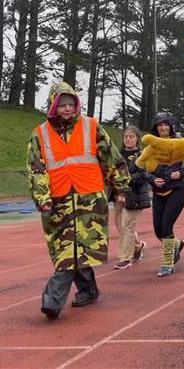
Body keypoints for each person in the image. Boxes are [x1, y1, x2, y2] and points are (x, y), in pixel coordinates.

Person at [27, 81, 130, 320]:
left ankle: (53, 302)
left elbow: (111, 158)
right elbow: (37, 169)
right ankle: (88, 289)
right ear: (53, 105)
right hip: (57, 201)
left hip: (89, 199)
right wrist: (42, 197)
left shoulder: (91, 126)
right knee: (67, 250)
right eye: (61, 104)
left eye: (70, 103)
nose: (66, 108)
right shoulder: (40, 134)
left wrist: (121, 187)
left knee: (80, 247)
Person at [147, 112, 184, 277]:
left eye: (166, 125)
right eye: (160, 125)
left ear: (171, 126)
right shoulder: (151, 147)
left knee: (166, 227)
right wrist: (152, 179)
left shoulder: (179, 143)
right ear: (156, 128)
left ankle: (167, 263)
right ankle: (176, 245)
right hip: (158, 192)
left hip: (177, 190)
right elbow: (141, 169)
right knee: (158, 231)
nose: (163, 128)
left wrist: (182, 172)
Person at [113, 125, 150, 269]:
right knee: (120, 226)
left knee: (127, 225)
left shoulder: (142, 154)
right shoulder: (118, 154)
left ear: (137, 139)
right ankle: (138, 246)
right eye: (126, 136)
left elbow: (142, 175)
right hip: (118, 194)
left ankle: (125, 258)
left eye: (131, 136)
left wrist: (126, 179)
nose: (128, 139)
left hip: (135, 195)